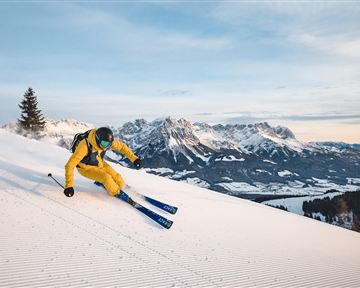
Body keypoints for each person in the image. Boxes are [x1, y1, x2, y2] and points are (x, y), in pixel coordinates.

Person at [64, 127, 141, 197]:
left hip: (99, 162)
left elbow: (121, 147)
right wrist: (69, 186)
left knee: (117, 176)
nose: (106, 147)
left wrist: (134, 159)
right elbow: (69, 165)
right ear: (97, 139)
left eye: (109, 144)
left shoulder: (106, 141)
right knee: (106, 177)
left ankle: (123, 187)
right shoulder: (84, 146)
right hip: (85, 168)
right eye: (104, 144)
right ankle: (117, 193)